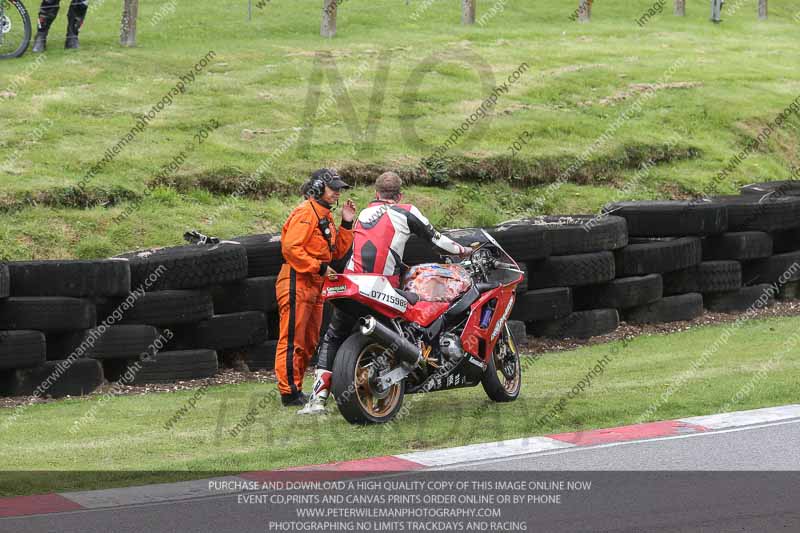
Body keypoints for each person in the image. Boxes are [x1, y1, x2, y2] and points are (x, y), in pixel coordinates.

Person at [298, 171, 469, 415]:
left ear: (376, 194)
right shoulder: (406, 210)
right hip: (381, 287)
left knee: (334, 336)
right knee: (418, 313)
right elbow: (437, 239)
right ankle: (418, 363)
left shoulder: (364, 213)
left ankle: (317, 400)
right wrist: (462, 251)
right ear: (400, 195)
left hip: (349, 283)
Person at [275, 169, 356, 407]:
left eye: (339, 189)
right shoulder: (305, 213)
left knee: (309, 340)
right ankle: (289, 392)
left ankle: (295, 388)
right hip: (297, 281)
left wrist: (347, 222)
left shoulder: (324, 215)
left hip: (314, 285)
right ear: (319, 188)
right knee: (293, 340)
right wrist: (319, 268)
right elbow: (291, 249)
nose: (338, 193)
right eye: (334, 189)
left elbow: (336, 253)